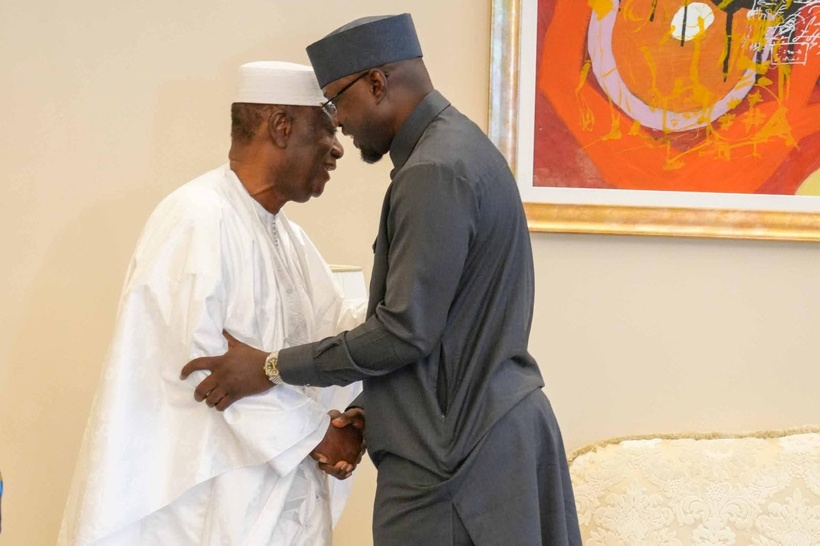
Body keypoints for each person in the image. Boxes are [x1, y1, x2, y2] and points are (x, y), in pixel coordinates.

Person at [182, 15, 582, 546]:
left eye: (336, 102)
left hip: (455, 463)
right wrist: (368, 410)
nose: (339, 126)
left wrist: (271, 367)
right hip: (477, 440)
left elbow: (405, 332)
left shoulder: (433, 171)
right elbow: (444, 330)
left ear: (376, 82)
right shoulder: (455, 149)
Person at [59, 61, 367, 546]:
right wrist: (319, 434)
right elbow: (201, 367)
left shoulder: (291, 239)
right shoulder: (195, 218)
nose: (337, 147)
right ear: (281, 127)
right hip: (203, 511)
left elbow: (335, 336)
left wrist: (408, 292)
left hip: (276, 507)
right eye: (326, 128)